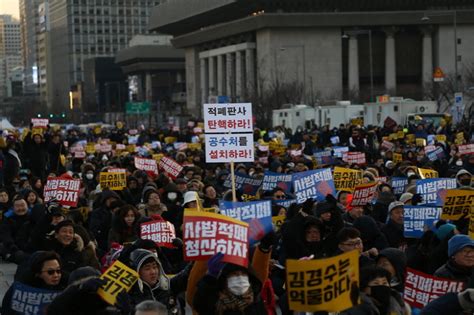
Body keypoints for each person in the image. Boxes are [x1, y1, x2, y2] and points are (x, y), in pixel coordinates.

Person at [1, 251, 67, 315]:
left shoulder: (67, 287)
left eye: (58, 271)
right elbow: (6, 310)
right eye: (50, 272)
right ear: (38, 273)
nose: (56, 275)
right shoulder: (20, 288)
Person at [340, 266, 409, 315]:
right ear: (364, 288)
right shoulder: (355, 308)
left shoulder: (397, 304)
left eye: (385, 283)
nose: (382, 286)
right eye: (376, 283)